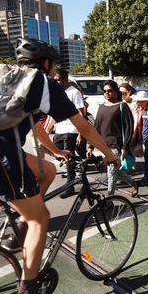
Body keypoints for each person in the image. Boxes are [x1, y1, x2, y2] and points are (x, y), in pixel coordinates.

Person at [0, 38, 119, 294]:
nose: (54, 70)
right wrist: (108, 154)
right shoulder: (42, 82)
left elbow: (35, 128)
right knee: (40, 218)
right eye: (54, 65)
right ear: (47, 63)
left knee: (46, 171)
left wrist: (57, 151)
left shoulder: (6, 78)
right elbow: (82, 124)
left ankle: (17, 230)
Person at [90, 80, 140, 197]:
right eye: (105, 91)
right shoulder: (102, 107)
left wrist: (125, 146)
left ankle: (109, 199)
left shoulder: (122, 106)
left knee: (111, 173)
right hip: (104, 145)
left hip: (116, 145)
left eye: (110, 91)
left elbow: (129, 127)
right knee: (115, 170)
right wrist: (91, 146)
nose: (107, 93)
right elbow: (96, 127)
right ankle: (134, 183)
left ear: (116, 92)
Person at [51, 66, 86, 198]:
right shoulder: (56, 92)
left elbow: (81, 114)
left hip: (71, 130)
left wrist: (80, 133)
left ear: (65, 79)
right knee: (58, 154)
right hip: (59, 129)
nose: (56, 82)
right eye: (54, 80)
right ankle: (82, 168)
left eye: (58, 80)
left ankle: (70, 187)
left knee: (68, 159)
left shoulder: (73, 92)